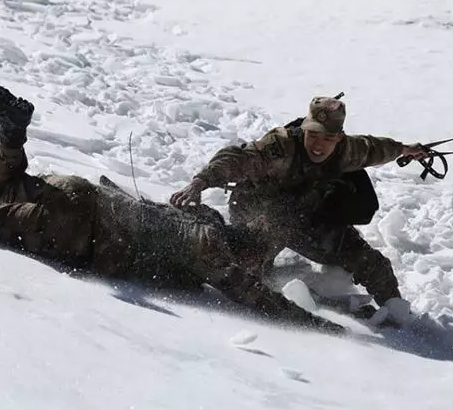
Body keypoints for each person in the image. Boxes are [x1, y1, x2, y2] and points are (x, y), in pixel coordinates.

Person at [0, 84, 345, 335]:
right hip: (83, 231)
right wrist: (313, 324)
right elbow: (251, 297)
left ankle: (11, 134)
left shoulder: (199, 221)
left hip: (83, 193)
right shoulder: (211, 246)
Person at [170, 95, 429, 326]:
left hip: (306, 218)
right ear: (304, 129)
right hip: (257, 213)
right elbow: (237, 158)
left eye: (327, 138)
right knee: (250, 263)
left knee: (371, 263)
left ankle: (399, 321)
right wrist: (200, 181)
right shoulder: (280, 145)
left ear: (338, 138)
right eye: (313, 135)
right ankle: (262, 286)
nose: (318, 144)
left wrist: (408, 150)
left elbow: (376, 148)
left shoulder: (347, 150)